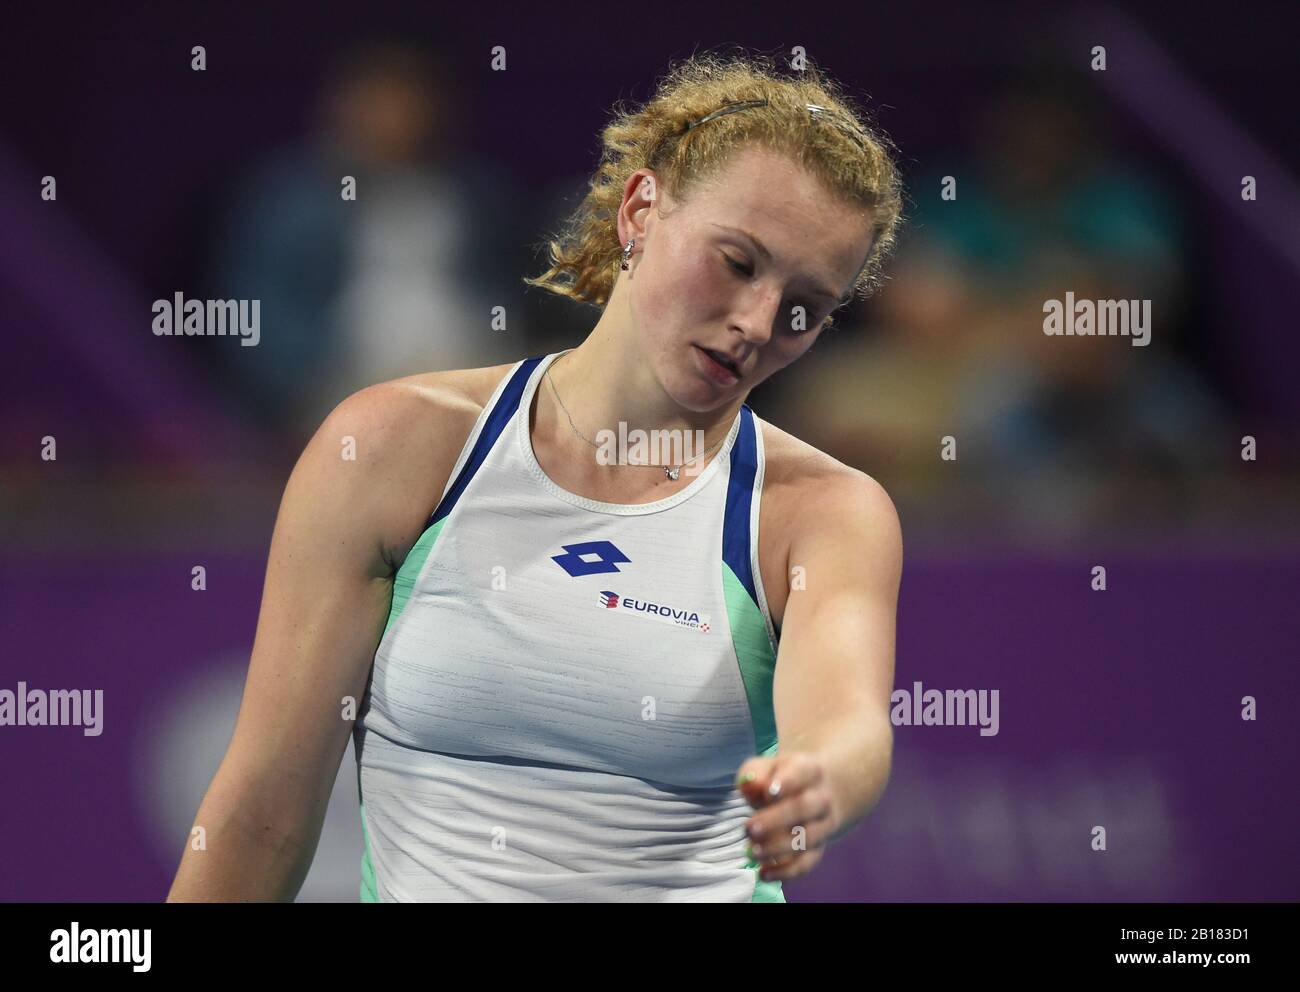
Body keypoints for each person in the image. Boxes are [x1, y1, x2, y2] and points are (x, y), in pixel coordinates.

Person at [167, 51, 904, 903]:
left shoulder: (823, 511)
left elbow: (848, 723)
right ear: (641, 210)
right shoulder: (391, 448)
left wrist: (817, 783)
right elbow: (263, 813)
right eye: (737, 262)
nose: (756, 323)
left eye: (805, 308)